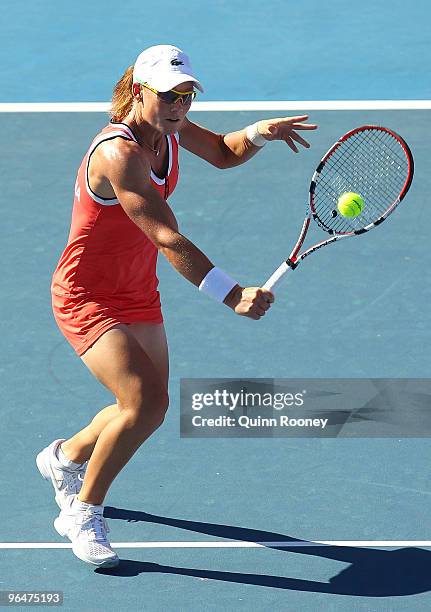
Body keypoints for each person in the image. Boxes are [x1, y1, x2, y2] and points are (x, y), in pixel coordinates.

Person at [36, 44, 318, 568]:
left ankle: (65, 457)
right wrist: (231, 294)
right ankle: (82, 512)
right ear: (139, 90)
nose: (179, 106)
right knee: (146, 405)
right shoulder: (119, 153)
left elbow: (225, 152)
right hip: (87, 294)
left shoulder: (170, 128)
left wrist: (259, 132)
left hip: (137, 287)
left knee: (140, 405)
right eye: (169, 95)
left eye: (186, 95)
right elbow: (166, 236)